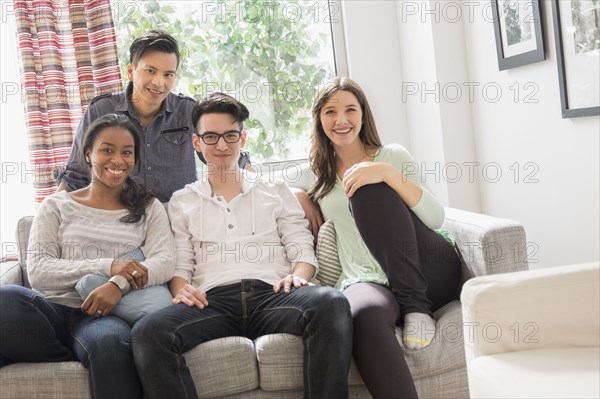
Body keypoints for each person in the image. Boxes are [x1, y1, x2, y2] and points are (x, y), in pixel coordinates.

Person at [131, 93, 353, 399]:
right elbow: (181, 263)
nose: (221, 145)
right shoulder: (183, 200)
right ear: (197, 143)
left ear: (242, 138)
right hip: (212, 303)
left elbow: (300, 247)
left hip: (274, 295)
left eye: (230, 135)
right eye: (210, 137)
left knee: (331, 302)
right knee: (148, 333)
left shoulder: (274, 190)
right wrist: (181, 288)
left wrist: (299, 275)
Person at [293, 77, 462, 399]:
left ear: (363, 115)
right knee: (361, 315)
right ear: (319, 120)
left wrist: (387, 174)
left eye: (350, 110)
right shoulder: (314, 173)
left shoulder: (392, 155)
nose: (341, 120)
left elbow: (436, 217)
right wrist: (298, 194)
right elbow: (257, 182)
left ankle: (416, 306)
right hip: (367, 278)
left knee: (367, 186)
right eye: (330, 112)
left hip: (429, 268)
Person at [0, 114, 176, 399]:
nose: (117, 160)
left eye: (127, 152)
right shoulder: (56, 205)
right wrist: (109, 265)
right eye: (107, 149)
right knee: (4, 299)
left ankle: (89, 350)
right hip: (53, 311)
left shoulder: (149, 207)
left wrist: (117, 284)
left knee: (106, 341)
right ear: (87, 153)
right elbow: (40, 270)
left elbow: (164, 261)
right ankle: (76, 351)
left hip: (104, 318)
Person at [56, 30, 196, 203]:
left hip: (176, 219)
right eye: (150, 71)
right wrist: (51, 212)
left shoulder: (188, 111)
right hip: (120, 219)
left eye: (168, 74)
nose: (159, 82)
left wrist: (240, 162)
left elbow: (222, 148)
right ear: (131, 71)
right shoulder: (101, 110)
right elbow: (75, 176)